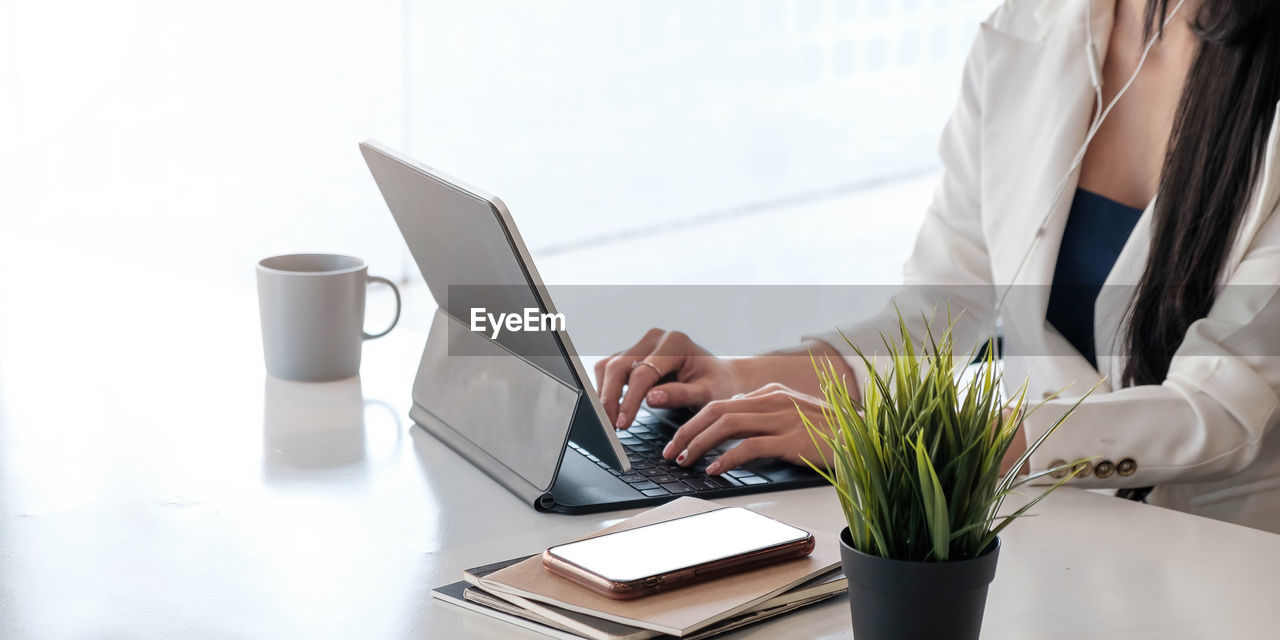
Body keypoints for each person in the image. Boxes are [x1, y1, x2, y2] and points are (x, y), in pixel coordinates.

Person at [595, 0, 1280, 533]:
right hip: (1059, 528)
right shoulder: (1033, 26)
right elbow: (943, 308)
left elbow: (1219, 411)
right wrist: (741, 377)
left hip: (1226, 548)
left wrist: (903, 439)